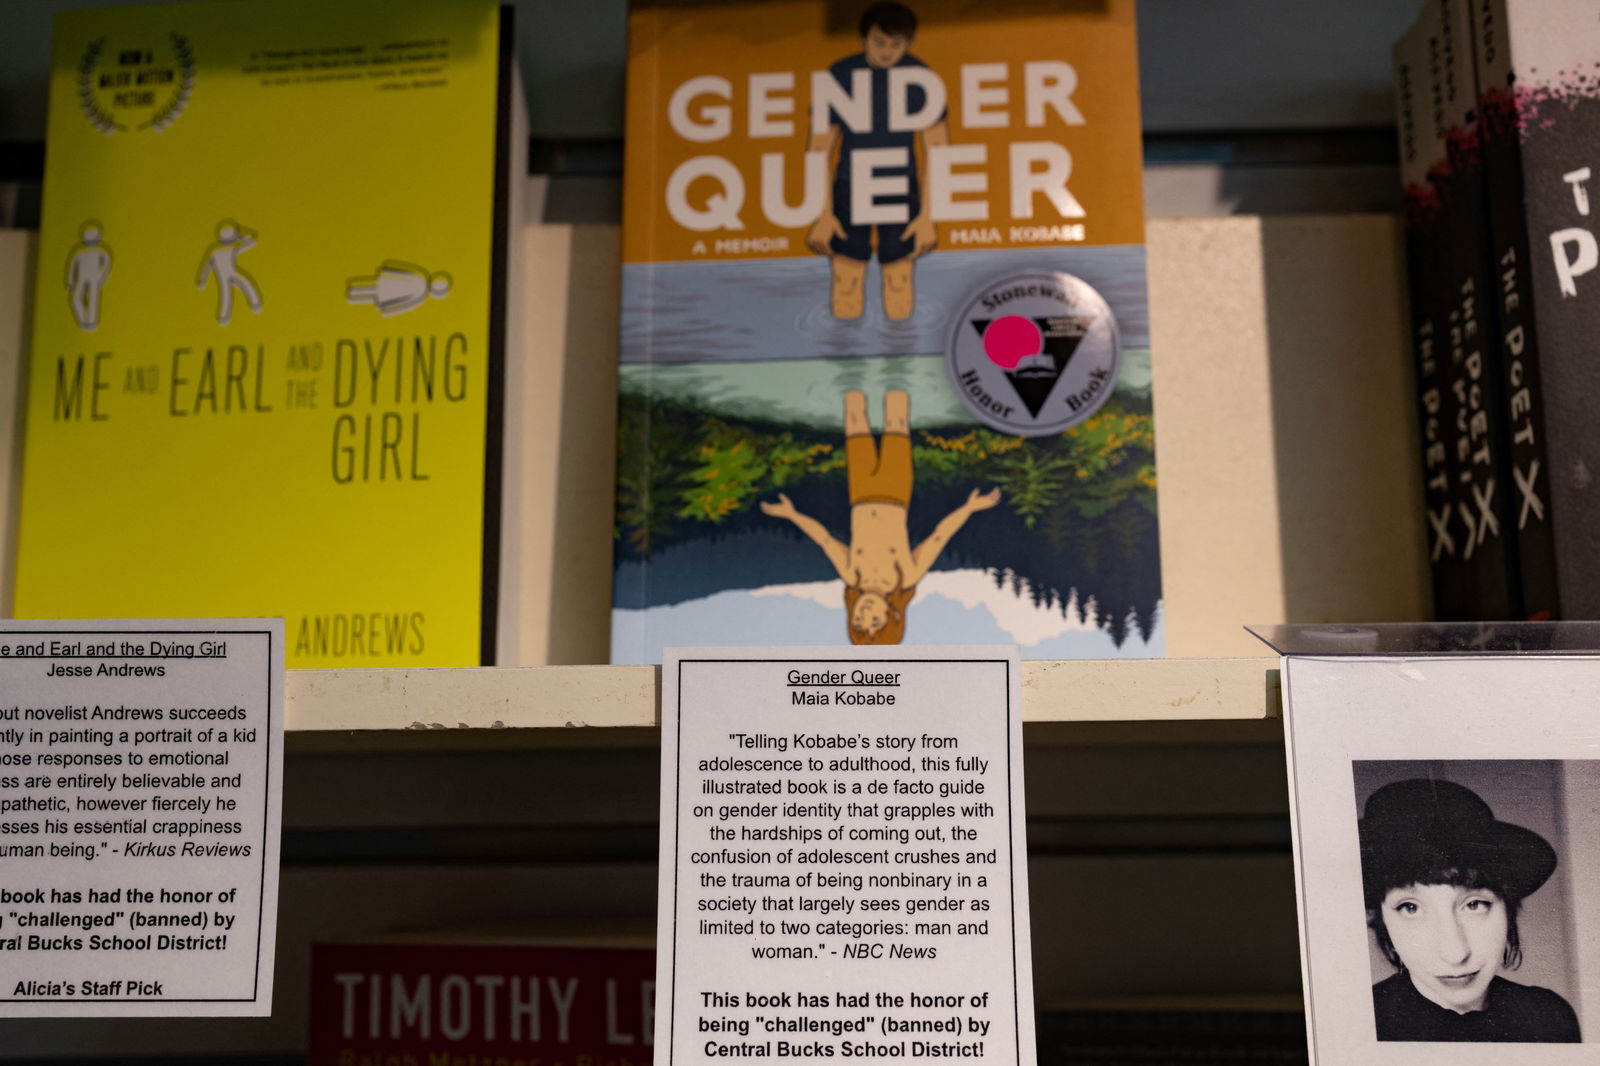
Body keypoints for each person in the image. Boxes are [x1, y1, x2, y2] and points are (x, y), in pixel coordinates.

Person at [760, 390, 999, 643]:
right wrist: (969, 508)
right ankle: (896, 370)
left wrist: (792, 514)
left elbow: (825, 540)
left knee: (854, 419)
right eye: (875, 620)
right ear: (893, 615)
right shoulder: (907, 575)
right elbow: (939, 536)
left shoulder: (852, 575)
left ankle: (849, 372)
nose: (865, 613)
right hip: (896, 493)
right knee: (896, 418)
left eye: (857, 619)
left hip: (860, 494)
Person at [1358, 777, 1580, 1042]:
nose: (1455, 954)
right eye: (1410, 908)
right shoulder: (1360, 1024)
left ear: (1507, 910)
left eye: (1474, 905)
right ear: (1381, 918)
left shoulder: (1549, 1017)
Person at [806, 2, 946, 321]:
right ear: (863, 38)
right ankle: (844, 365)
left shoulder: (920, 77)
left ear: (909, 43)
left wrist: (927, 217)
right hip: (850, 186)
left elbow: (938, 150)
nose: (886, 52)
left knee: (898, 282)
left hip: (899, 187)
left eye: (896, 45)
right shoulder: (841, 74)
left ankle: (899, 366)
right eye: (879, 42)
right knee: (846, 282)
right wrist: (824, 215)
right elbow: (818, 148)